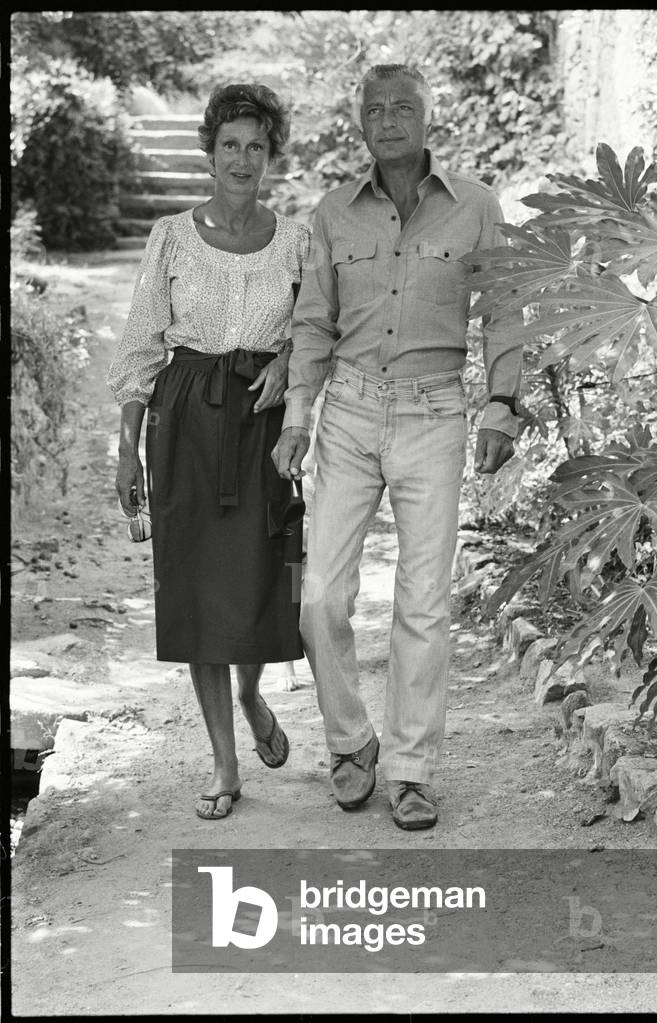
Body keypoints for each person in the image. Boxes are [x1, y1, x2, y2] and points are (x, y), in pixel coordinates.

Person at [273, 64, 522, 831]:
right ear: (361, 124)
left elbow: (505, 310)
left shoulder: (476, 207)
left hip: (434, 412)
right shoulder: (332, 213)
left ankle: (411, 769)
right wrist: (296, 416)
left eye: (402, 107)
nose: (388, 120)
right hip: (347, 411)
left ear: (427, 118)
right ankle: (352, 741)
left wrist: (501, 407)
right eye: (375, 109)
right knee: (319, 597)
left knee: (423, 602)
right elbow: (312, 322)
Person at [108, 83, 310, 821]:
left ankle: (252, 693)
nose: (242, 159)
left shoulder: (296, 240)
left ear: (270, 155)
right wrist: (127, 449)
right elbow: (141, 345)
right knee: (197, 593)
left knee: (261, 580)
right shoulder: (170, 236)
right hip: (186, 422)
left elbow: (319, 326)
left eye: (256, 146)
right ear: (210, 151)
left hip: (263, 423)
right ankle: (225, 762)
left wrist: (287, 358)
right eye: (230, 145)